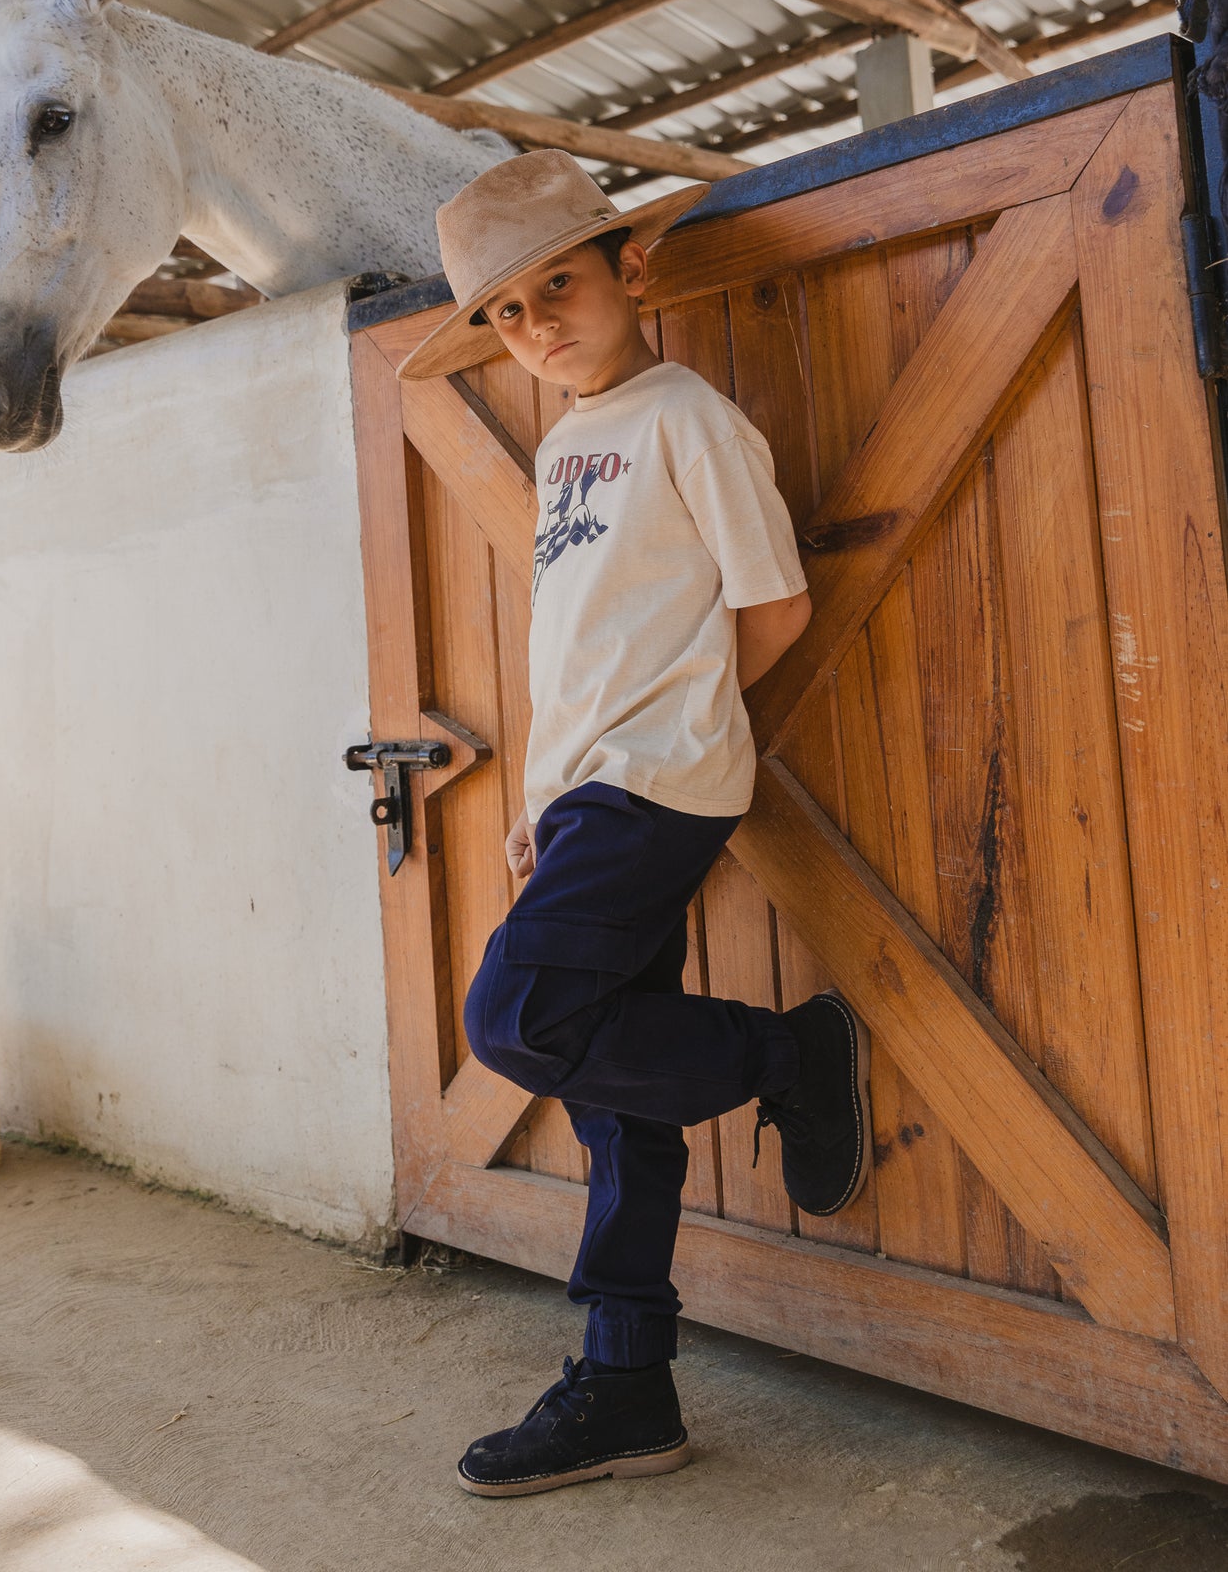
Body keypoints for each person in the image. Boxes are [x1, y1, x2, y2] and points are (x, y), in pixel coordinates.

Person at [397, 148, 870, 1500]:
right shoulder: (563, 444)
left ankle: (788, 1052)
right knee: (613, 1105)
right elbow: (577, 649)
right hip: (588, 792)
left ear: (630, 268)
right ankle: (627, 1386)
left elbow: (767, 606)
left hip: (658, 781)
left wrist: (677, 736)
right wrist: (543, 802)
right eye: (505, 311)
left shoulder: (685, 419)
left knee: (516, 1021)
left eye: (559, 283)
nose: (538, 324)